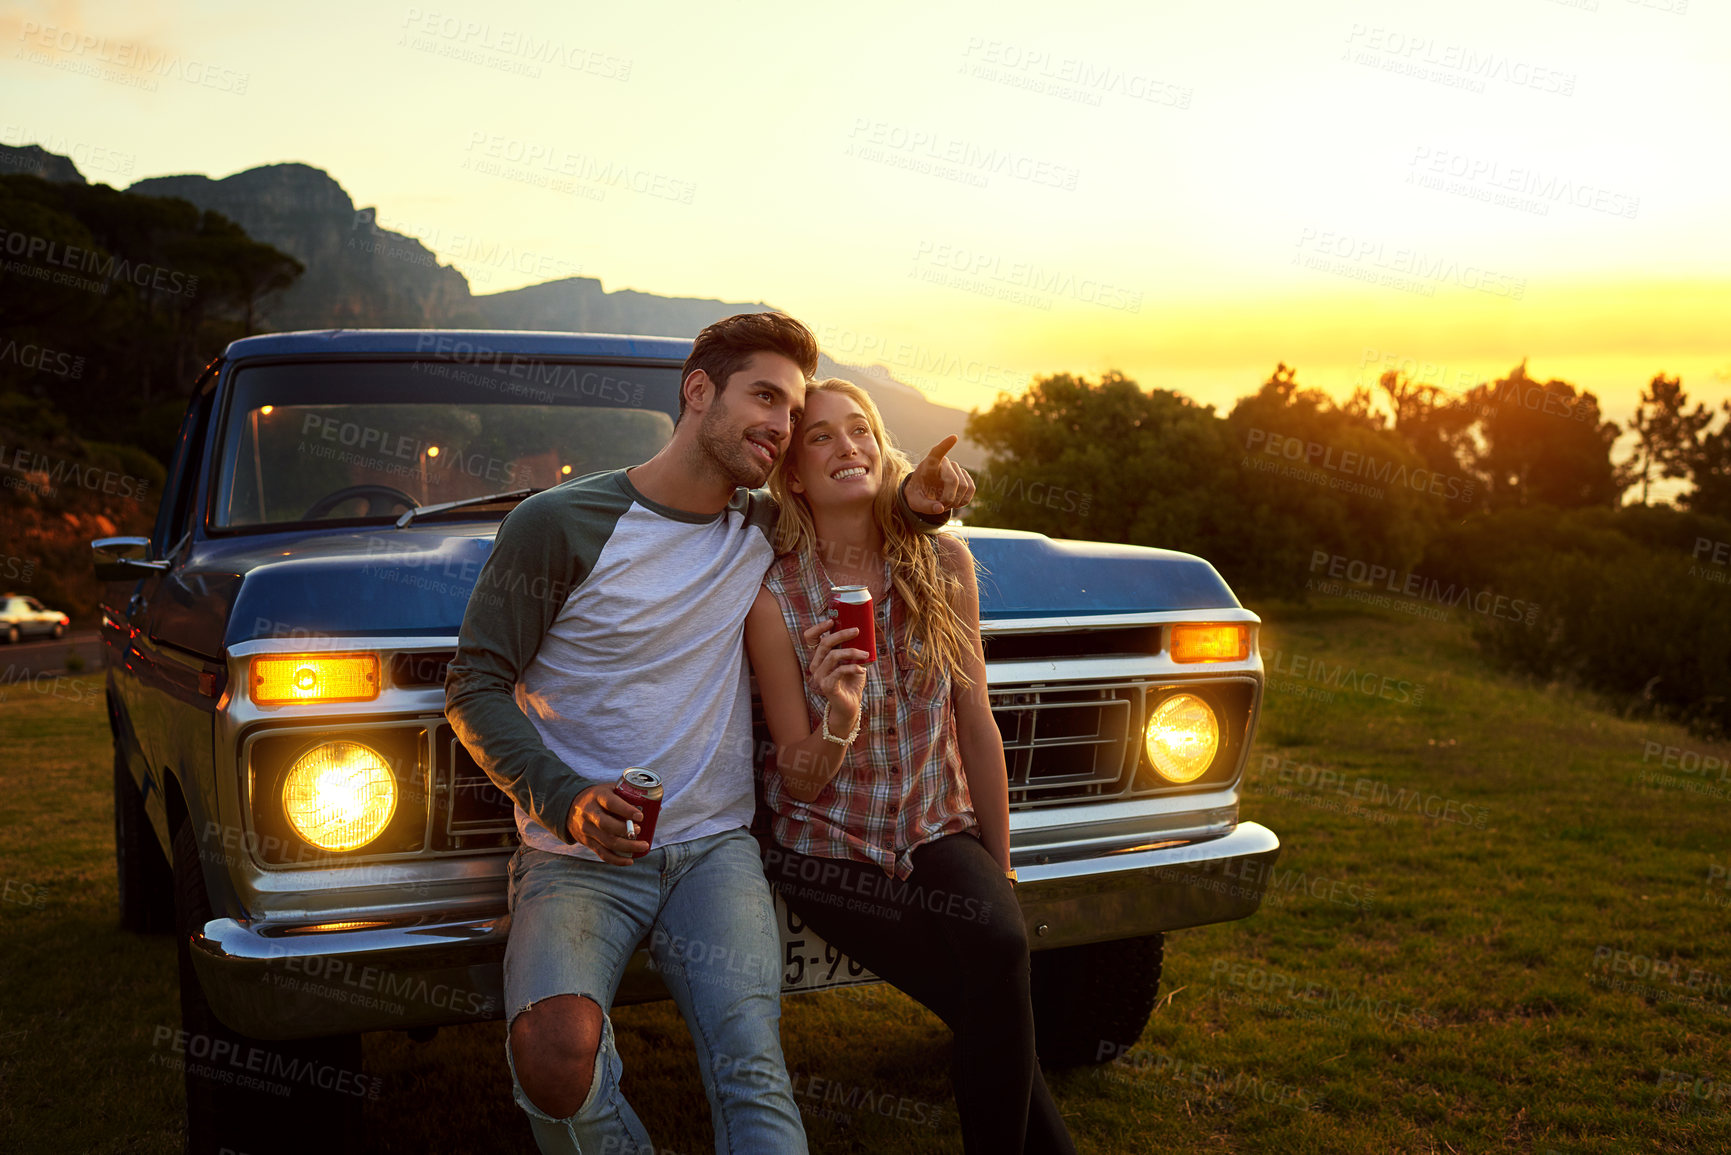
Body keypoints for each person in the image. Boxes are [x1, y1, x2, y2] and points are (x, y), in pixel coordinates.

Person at [444, 313, 976, 1155]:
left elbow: (854, 514)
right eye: (763, 395)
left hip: (717, 848)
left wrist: (911, 502)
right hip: (575, 854)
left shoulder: (765, 529)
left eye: (790, 410)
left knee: (751, 1064)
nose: (779, 424)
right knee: (555, 1058)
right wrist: (568, 800)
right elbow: (472, 685)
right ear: (698, 392)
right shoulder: (559, 523)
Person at [747, 377, 1078, 1155]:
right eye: (820, 436)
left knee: (999, 948)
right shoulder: (773, 599)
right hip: (822, 844)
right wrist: (838, 712)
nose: (846, 445)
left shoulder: (942, 564)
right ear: (793, 474)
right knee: (984, 998)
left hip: (936, 822)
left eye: (859, 429)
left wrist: (997, 866)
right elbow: (795, 778)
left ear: (881, 449)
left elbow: (973, 718)